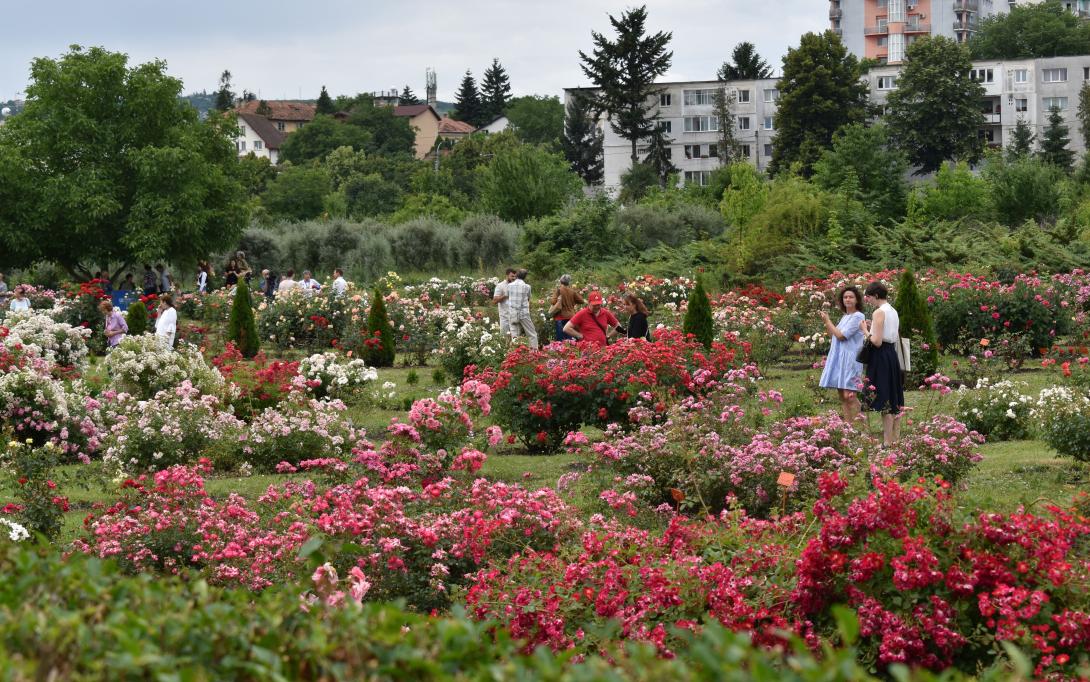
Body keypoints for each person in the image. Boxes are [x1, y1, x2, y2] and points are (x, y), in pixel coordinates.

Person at [860, 282, 904, 446]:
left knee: (884, 396)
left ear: (876, 295)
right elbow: (887, 333)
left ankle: (887, 441)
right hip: (891, 354)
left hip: (880, 355)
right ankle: (893, 439)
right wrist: (873, 329)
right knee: (892, 397)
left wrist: (865, 330)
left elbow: (877, 342)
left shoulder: (879, 312)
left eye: (869, 297)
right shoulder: (893, 311)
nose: (868, 300)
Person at [818, 286, 866, 426]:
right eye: (845, 297)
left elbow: (841, 336)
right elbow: (833, 333)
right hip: (839, 357)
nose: (848, 299)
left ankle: (863, 427)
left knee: (849, 395)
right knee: (842, 396)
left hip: (851, 358)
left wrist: (828, 321)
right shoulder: (845, 316)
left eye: (851, 297)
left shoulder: (858, 316)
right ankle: (848, 426)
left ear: (857, 299)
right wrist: (828, 324)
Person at [505, 269, 538, 349]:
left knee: (515, 335)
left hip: (513, 312)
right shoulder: (527, 287)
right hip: (524, 313)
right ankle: (534, 353)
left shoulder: (509, 286)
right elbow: (529, 298)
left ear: (516, 275)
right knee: (531, 334)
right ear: (525, 277)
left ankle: (514, 354)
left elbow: (508, 296)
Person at [548, 274, 584, 341]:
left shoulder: (559, 290)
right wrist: (573, 302)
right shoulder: (572, 291)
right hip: (571, 316)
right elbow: (581, 301)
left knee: (561, 340)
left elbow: (553, 302)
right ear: (569, 282)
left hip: (560, 317)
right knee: (569, 339)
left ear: (560, 281)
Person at [493, 268, 517, 333]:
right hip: (505, 317)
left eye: (515, 276)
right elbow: (494, 301)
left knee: (516, 339)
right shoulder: (500, 286)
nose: (514, 278)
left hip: (515, 317)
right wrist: (505, 295)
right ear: (507, 276)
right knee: (504, 338)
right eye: (512, 276)